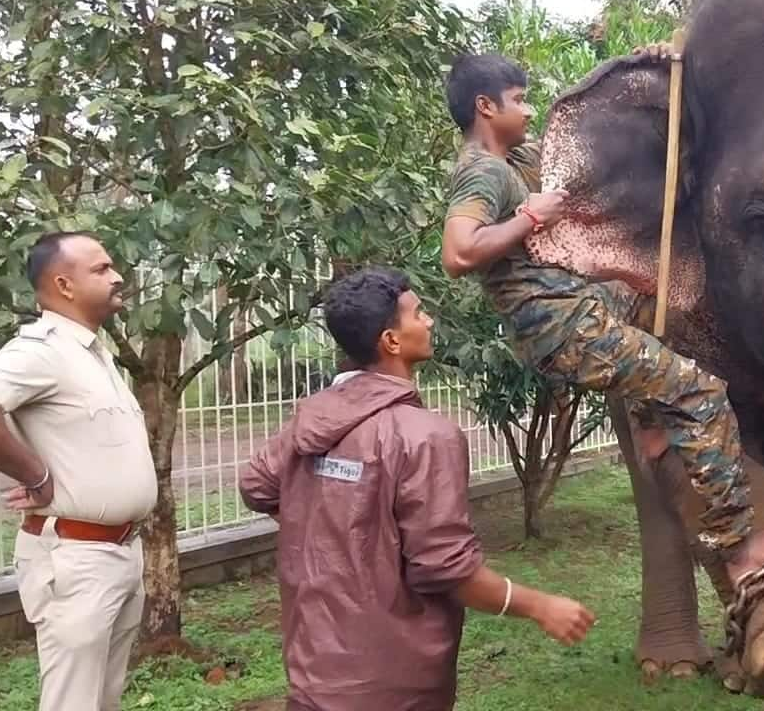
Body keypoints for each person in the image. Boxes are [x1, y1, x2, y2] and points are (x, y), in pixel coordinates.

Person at [437, 48, 764, 684]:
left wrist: (652, 70)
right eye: (519, 100)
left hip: (578, 316)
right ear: (486, 107)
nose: (529, 111)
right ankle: (738, 536)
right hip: (565, 324)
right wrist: (533, 217)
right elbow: (459, 252)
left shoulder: (509, 162)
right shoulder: (483, 174)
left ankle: (655, 433)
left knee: (658, 377)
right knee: (700, 391)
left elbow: (583, 156)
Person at [238, 267, 596, 711]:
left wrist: (335, 511)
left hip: (314, 676)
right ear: (391, 341)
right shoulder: (425, 436)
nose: (428, 322)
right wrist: (540, 606)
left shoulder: (311, 418)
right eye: (418, 313)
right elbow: (447, 569)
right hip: (395, 685)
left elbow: (257, 484)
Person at [0, 232, 156, 711]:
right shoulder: (43, 351)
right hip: (76, 559)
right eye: (101, 269)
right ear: (64, 284)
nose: (117, 276)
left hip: (118, 552)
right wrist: (34, 475)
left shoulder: (92, 354)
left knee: (102, 700)